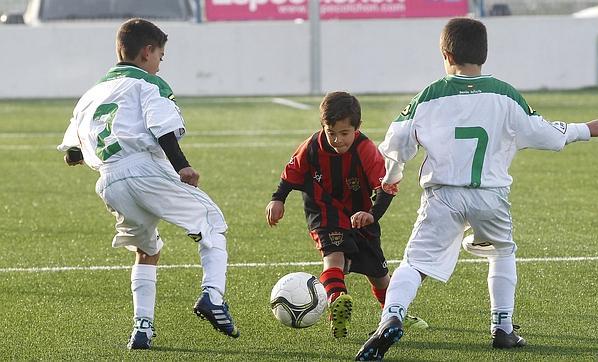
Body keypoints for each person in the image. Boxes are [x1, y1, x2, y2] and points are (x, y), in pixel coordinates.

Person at [355, 17, 598, 360]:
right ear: (485, 55)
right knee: (503, 251)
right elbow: (545, 133)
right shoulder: (505, 94)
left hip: (443, 196)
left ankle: (391, 316)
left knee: (414, 264)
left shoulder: (429, 95)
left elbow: (397, 142)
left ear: (445, 53)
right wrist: (584, 128)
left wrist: (393, 174)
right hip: (490, 196)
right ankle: (502, 327)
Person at [57, 18, 240, 350]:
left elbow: (72, 151)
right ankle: (212, 296)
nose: (160, 61)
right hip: (143, 169)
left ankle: (142, 328)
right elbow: (162, 125)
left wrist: (82, 154)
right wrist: (182, 166)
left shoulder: (91, 94)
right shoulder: (148, 83)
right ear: (146, 52)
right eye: (160, 54)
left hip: (109, 181)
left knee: (147, 250)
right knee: (211, 223)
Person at [265, 91, 427, 339]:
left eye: (344, 134)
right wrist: (278, 198)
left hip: (360, 214)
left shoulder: (366, 150)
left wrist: (372, 214)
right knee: (334, 258)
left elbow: (386, 188)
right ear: (323, 126)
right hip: (324, 212)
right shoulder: (311, 146)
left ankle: (394, 312)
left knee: (380, 277)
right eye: (331, 133)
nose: (337, 140)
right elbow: (292, 173)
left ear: (357, 128)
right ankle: (336, 303)